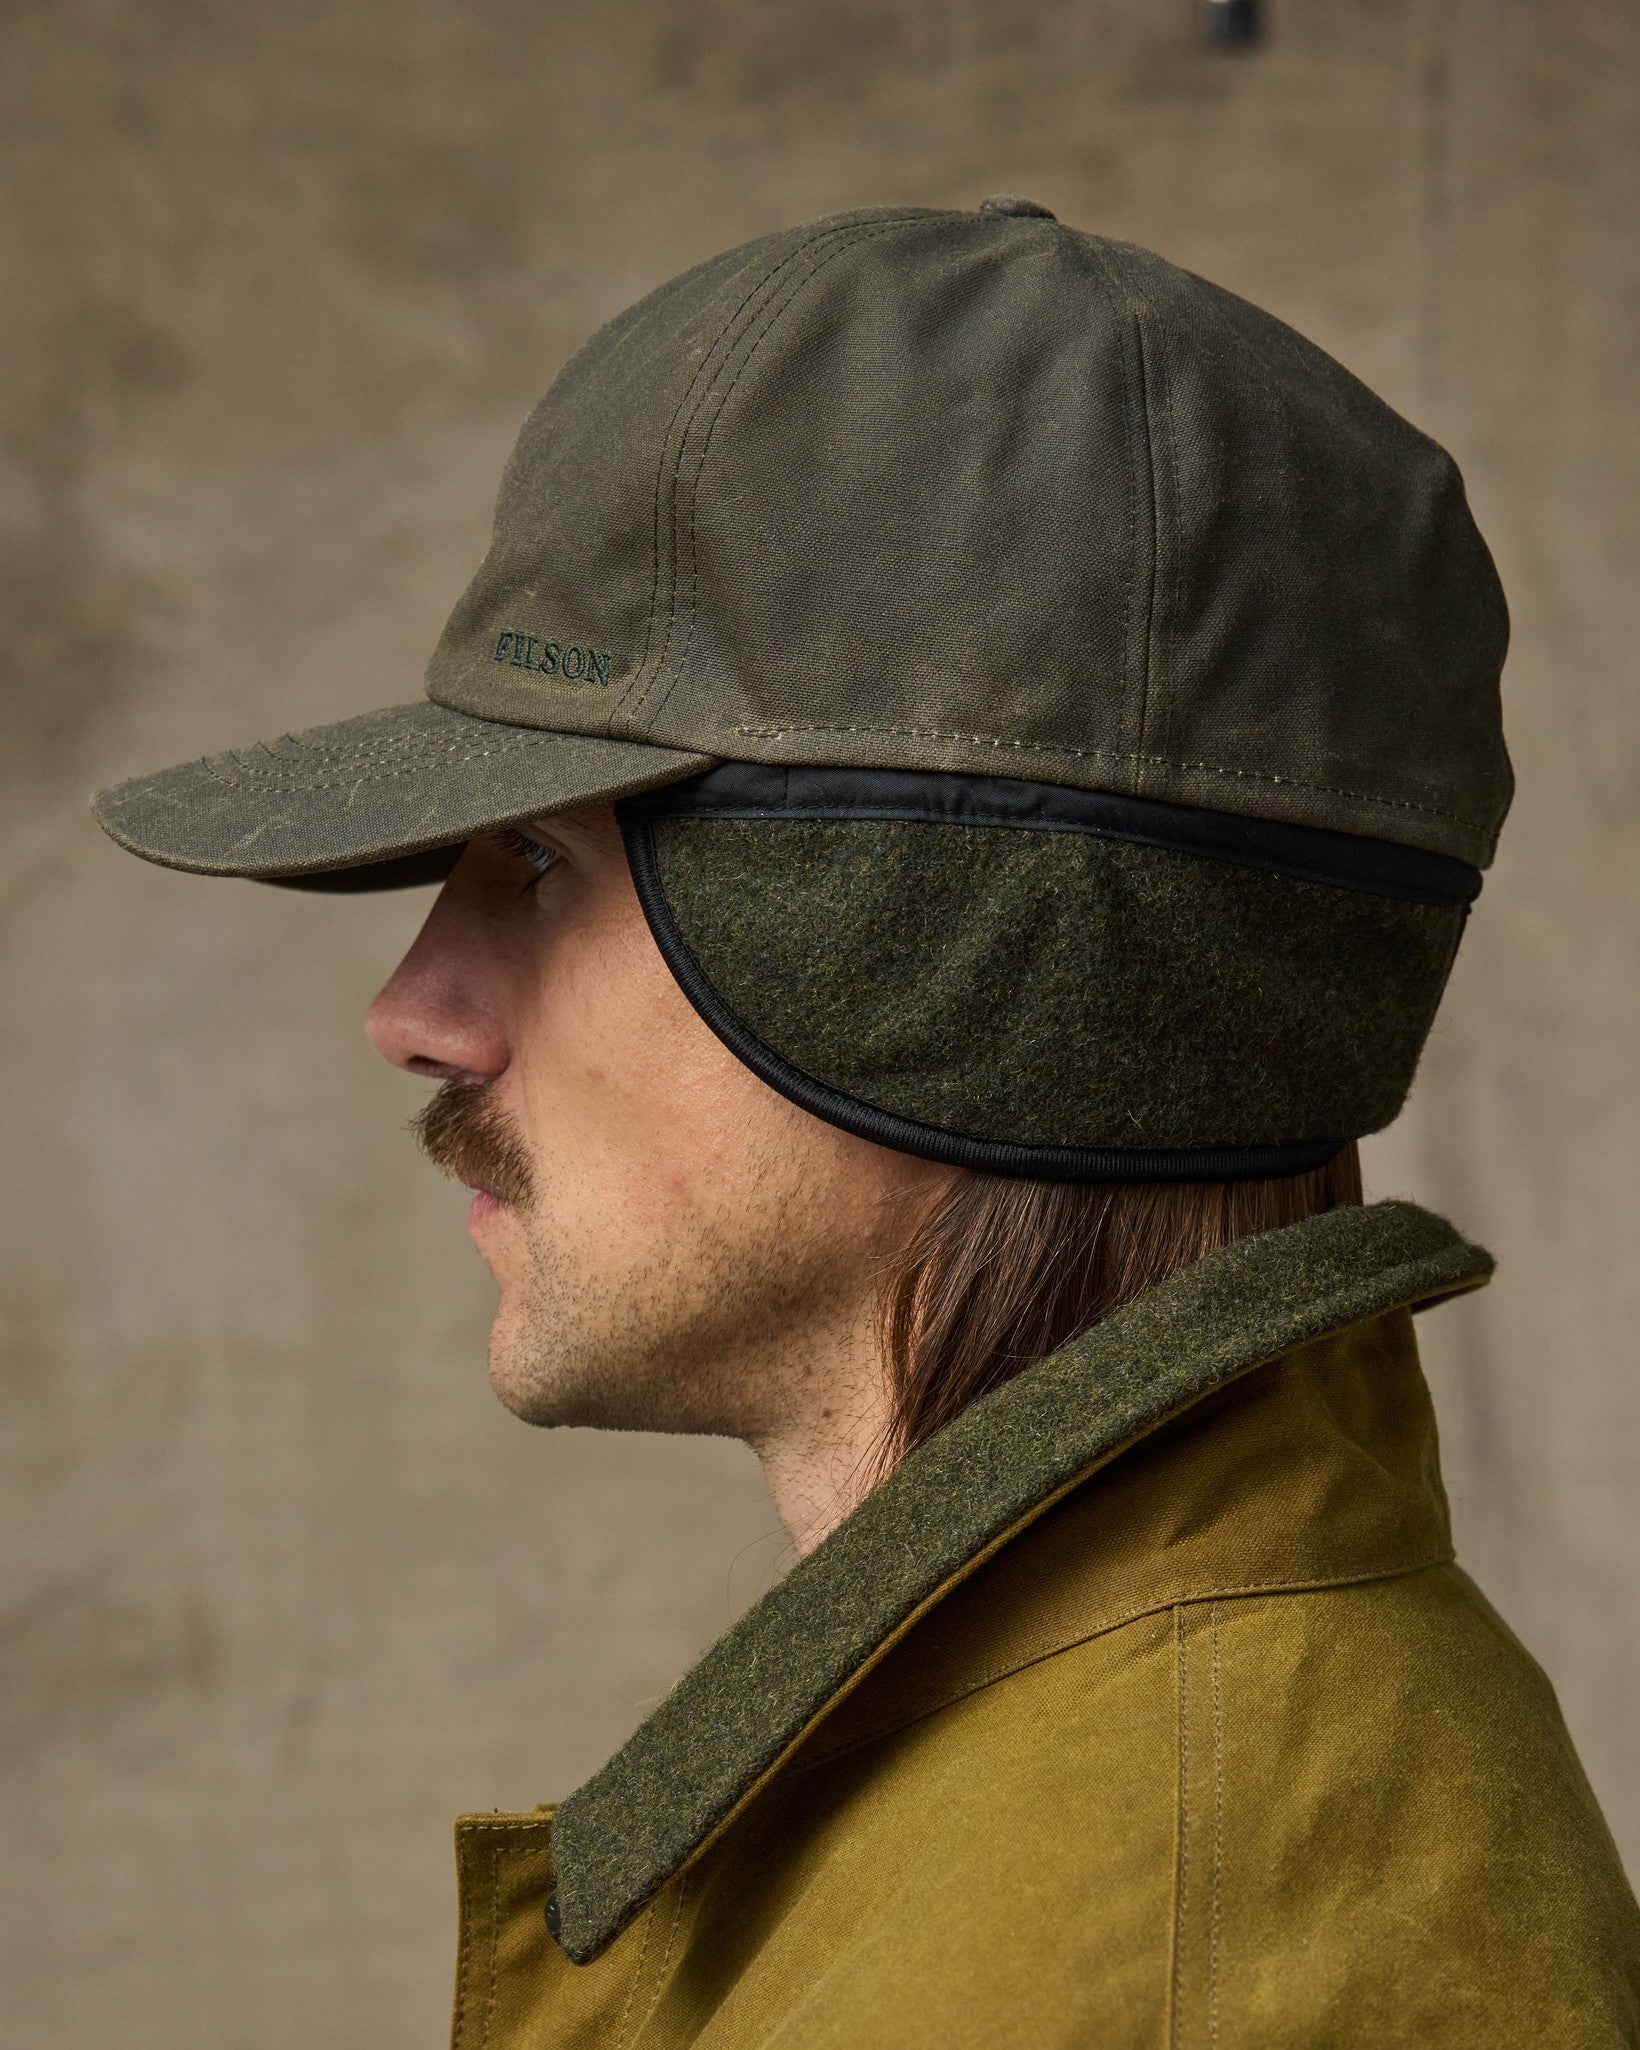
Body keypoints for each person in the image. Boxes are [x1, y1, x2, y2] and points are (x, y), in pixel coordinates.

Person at [92, 198, 1639, 2046]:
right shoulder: (1086, 1796)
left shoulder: (1167, 1969)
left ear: (947, 957)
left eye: (538, 863)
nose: (412, 1013)